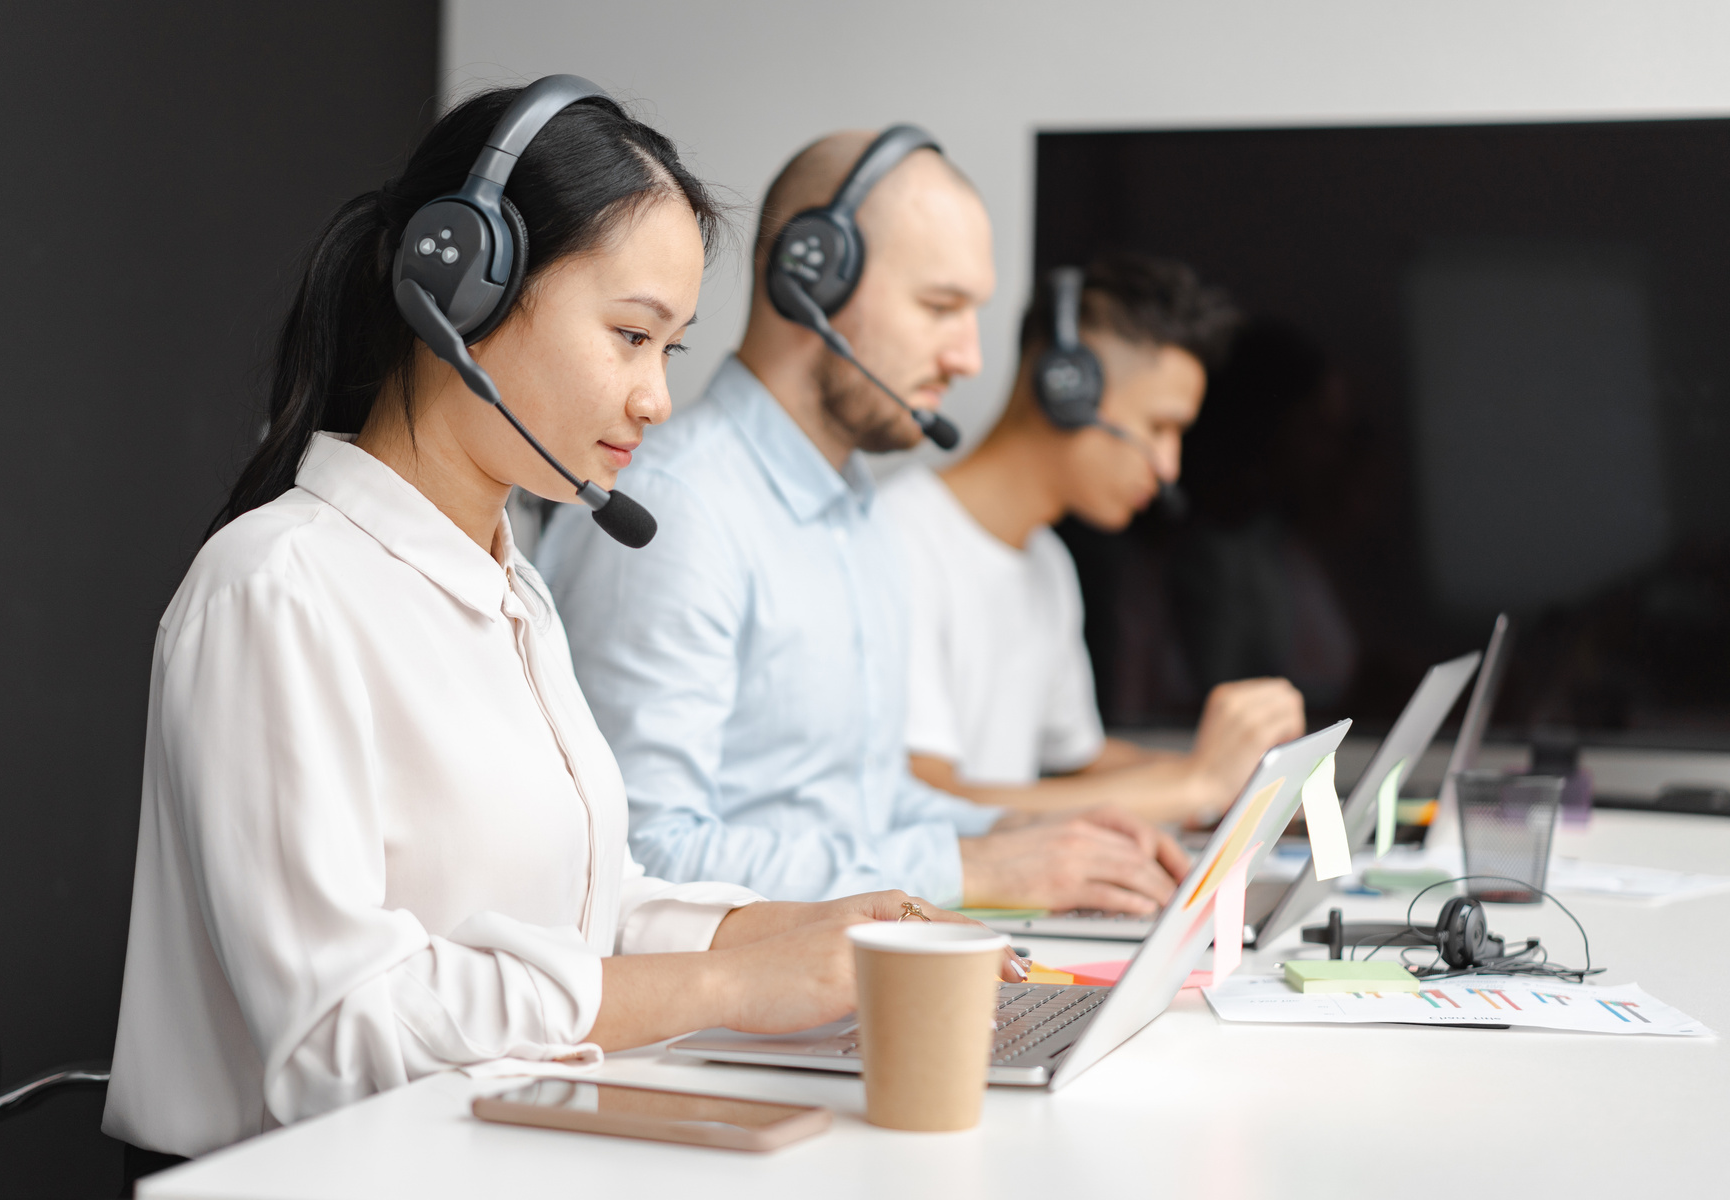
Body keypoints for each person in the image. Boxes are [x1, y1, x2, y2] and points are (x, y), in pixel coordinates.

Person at [103, 86, 1003, 1164]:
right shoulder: (277, 589)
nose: (655, 398)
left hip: (495, 1153)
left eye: (668, 350)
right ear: (459, 289)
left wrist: (784, 930)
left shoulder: (510, 587)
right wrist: (722, 984)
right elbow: (340, 1033)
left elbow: (577, 902)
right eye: (629, 335)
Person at [536, 131, 1189, 915]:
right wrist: (978, 873)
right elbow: (642, 854)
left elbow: (867, 808)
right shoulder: (681, 511)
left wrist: (1028, 835)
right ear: (814, 274)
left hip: (841, 990)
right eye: (940, 307)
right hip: (710, 1026)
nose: (970, 358)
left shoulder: (858, 515)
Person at [882, 254, 1305, 824]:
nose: (1168, 467)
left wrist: (1240, 780)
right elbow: (930, 804)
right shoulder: (898, 539)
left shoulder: (1047, 563)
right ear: (1066, 387)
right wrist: (1192, 786)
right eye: (1159, 427)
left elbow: (1081, 762)